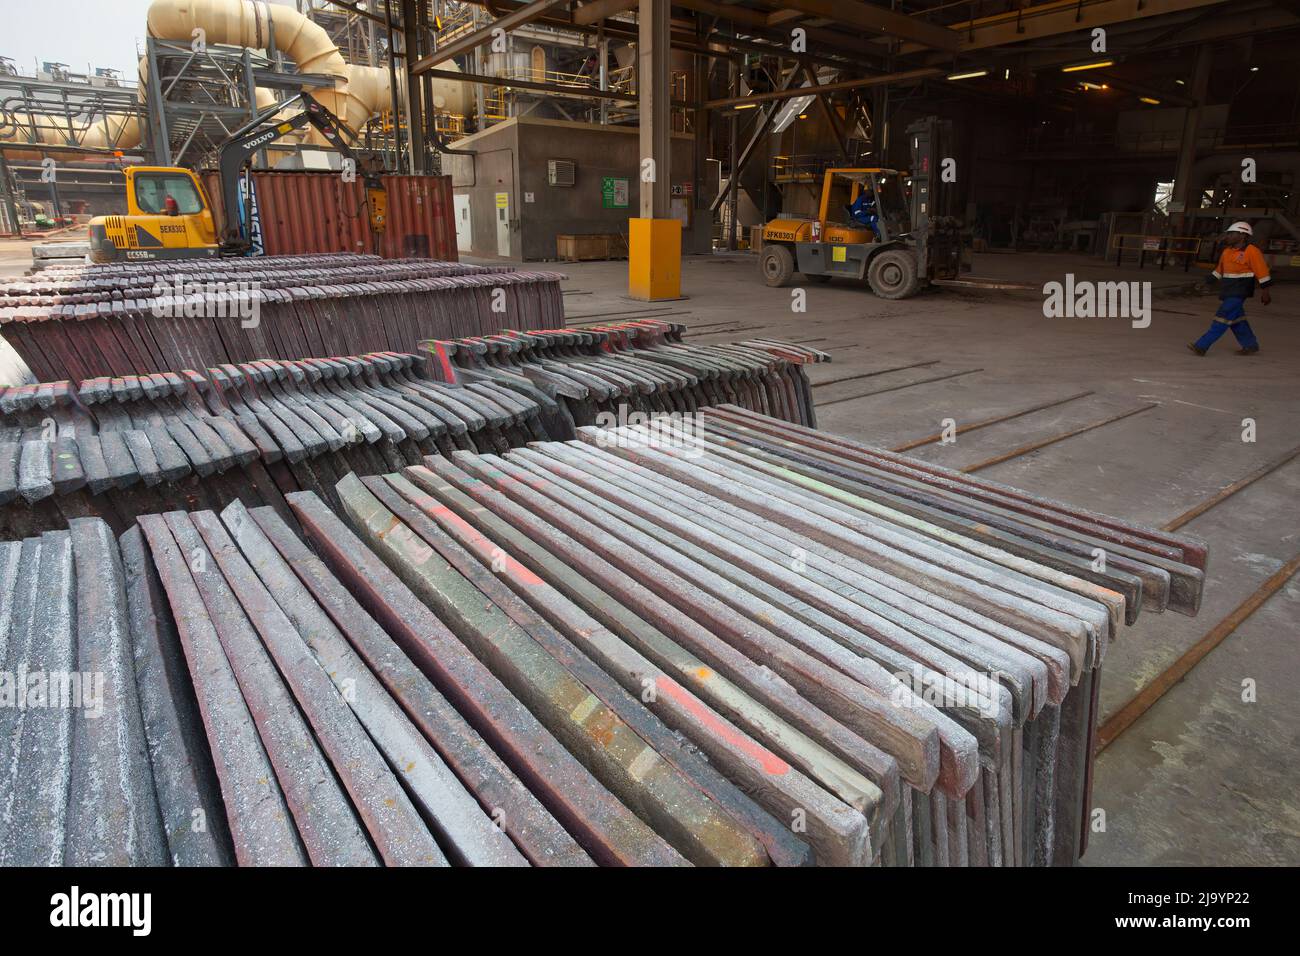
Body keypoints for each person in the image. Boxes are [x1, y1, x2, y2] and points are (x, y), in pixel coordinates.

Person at [1188, 221, 1272, 356]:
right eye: (1228, 234)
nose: (1227, 237)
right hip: (1227, 290)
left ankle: (1201, 345)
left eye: (1231, 234)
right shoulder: (1227, 252)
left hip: (1240, 291)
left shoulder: (1252, 251)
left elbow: (1262, 272)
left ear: (1242, 235)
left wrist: (1265, 292)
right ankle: (1250, 345)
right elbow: (1219, 271)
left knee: (1223, 317)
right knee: (1237, 320)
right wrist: (1205, 282)